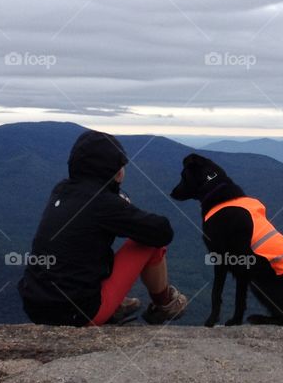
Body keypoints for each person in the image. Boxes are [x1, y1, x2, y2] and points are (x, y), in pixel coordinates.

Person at [18, 129, 188, 326]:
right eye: (122, 166)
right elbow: (162, 231)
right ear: (115, 172)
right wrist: (125, 207)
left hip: (34, 305)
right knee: (149, 242)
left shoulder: (61, 190)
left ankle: (112, 302)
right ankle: (164, 305)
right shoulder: (104, 203)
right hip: (78, 313)